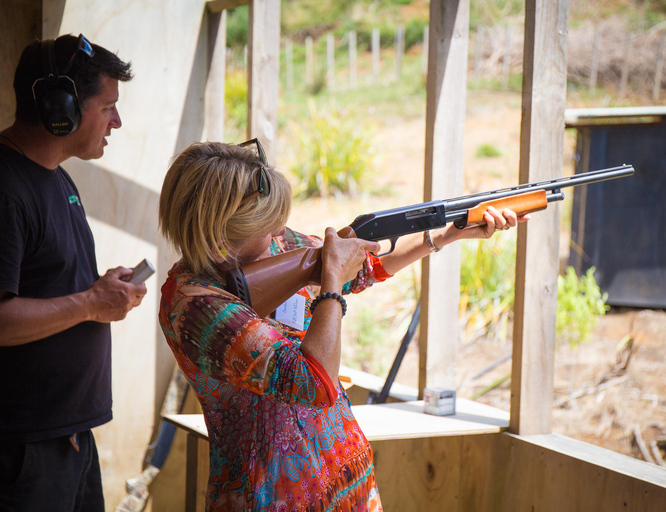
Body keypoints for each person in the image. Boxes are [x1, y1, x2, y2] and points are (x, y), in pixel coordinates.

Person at [157, 140, 527, 511]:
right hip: (272, 496)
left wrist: (446, 234)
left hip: (344, 482)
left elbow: (364, 266)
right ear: (221, 242)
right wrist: (331, 284)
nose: (281, 232)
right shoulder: (193, 305)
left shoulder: (274, 247)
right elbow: (313, 382)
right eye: (268, 228)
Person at [0, 34, 147, 511]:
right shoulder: (5, 190)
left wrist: (100, 294)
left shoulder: (56, 177)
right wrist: (89, 303)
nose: (117, 121)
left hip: (68, 435)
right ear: (60, 106)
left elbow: (51, 285)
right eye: (108, 107)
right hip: (22, 449)